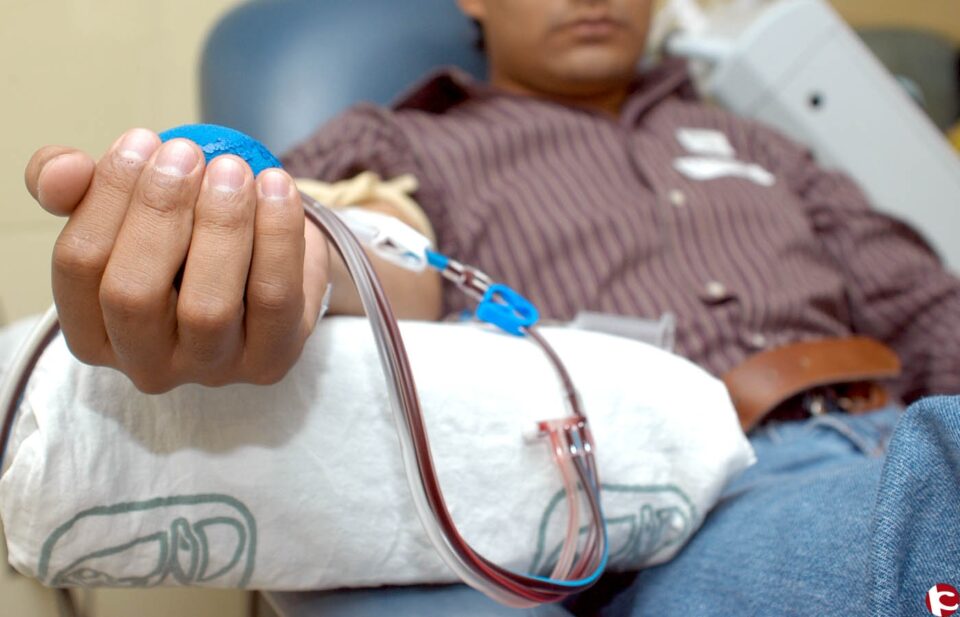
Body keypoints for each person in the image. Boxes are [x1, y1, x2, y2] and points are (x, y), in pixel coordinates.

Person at [22, 0, 960, 614]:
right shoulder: (409, 137)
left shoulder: (762, 141)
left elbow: (924, 304)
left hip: (904, 426)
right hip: (695, 503)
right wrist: (263, 257)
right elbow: (374, 244)